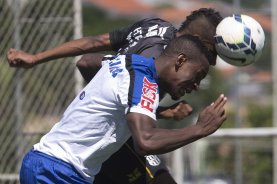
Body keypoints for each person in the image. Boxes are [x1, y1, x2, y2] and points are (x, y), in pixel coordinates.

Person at [7, 8, 223, 184]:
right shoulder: (144, 79)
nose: (196, 85)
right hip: (59, 172)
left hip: (48, 163)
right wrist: (200, 129)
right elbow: (146, 141)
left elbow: (87, 61)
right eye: (197, 75)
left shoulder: (125, 62)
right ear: (181, 60)